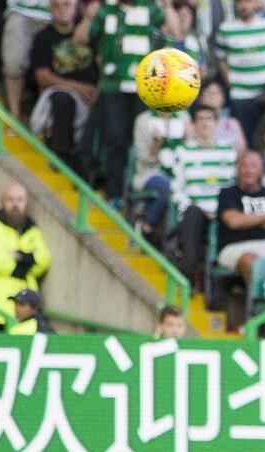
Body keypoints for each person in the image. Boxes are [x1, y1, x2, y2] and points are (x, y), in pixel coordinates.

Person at [74, 0, 172, 205]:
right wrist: (89, 17)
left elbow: (173, 30)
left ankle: (137, 192)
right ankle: (115, 193)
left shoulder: (150, 7)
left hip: (144, 86)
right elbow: (80, 38)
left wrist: (168, 6)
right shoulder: (106, 9)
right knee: (115, 140)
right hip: (113, 87)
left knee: (142, 140)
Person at [169, 105, 238, 282]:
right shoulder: (183, 151)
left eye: (209, 119)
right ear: (193, 124)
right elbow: (176, 189)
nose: (205, 123)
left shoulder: (228, 152)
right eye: (200, 119)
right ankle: (188, 273)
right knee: (193, 213)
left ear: (217, 123)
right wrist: (188, 207)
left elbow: (232, 187)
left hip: (221, 213)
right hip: (194, 211)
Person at [28, 0, 97, 174]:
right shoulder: (43, 37)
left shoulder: (89, 34)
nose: (61, 10)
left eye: (66, 5)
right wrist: (75, 87)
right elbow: (42, 77)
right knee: (62, 98)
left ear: (75, 7)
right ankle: (61, 157)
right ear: (50, 9)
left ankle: (93, 172)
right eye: (56, 6)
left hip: (90, 96)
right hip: (57, 92)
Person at [0, 182, 51, 332]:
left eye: (20, 200)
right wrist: (29, 259)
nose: (15, 204)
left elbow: (43, 261)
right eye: (10, 200)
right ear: (2, 202)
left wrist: (17, 256)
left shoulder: (32, 229)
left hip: (27, 313)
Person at [215, 0, 265, 143]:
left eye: (248, 1)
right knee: (244, 139)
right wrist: (231, 82)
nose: (244, 6)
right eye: (239, 2)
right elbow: (221, 59)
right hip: (240, 95)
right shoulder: (226, 29)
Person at [217, 153, 265, 285]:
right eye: (244, 166)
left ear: (261, 170)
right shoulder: (227, 193)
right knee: (249, 260)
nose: (248, 170)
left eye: (253, 166)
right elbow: (233, 222)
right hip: (235, 247)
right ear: (237, 169)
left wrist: (247, 220)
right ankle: (260, 303)